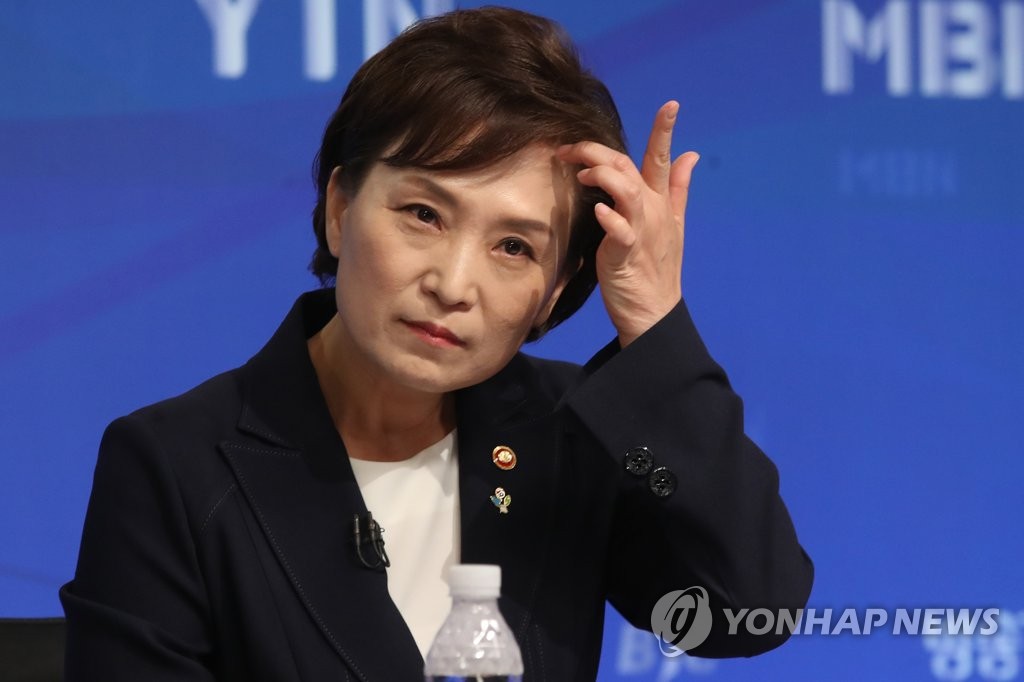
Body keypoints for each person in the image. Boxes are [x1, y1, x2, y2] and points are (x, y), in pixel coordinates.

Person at [60, 6, 813, 681]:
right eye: (424, 214)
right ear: (339, 209)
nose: (453, 284)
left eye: (514, 247)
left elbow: (750, 609)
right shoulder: (173, 465)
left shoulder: (568, 436)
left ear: (555, 290)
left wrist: (655, 326)